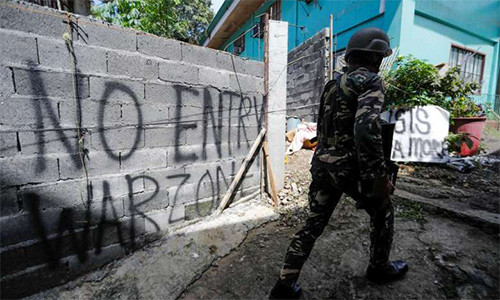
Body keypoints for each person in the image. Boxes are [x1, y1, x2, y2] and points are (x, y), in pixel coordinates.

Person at [269, 27, 408, 299]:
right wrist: (378, 177)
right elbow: (366, 128)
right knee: (383, 211)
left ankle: (283, 286)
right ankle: (379, 268)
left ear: (352, 55)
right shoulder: (370, 81)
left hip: (323, 164)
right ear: (377, 57)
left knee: (313, 224)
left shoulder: (332, 85)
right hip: (350, 167)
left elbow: (323, 129)